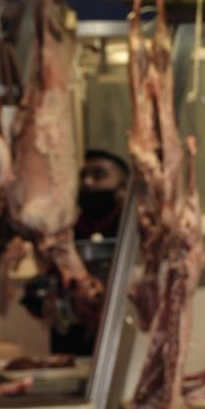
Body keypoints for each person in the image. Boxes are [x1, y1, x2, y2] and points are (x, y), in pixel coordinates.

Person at [21, 149, 129, 355]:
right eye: (83, 176)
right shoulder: (65, 231)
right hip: (70, 344)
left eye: (99, 175)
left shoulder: (135, 232)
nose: (87, 183)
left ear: (123, 187)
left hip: (121, 342)